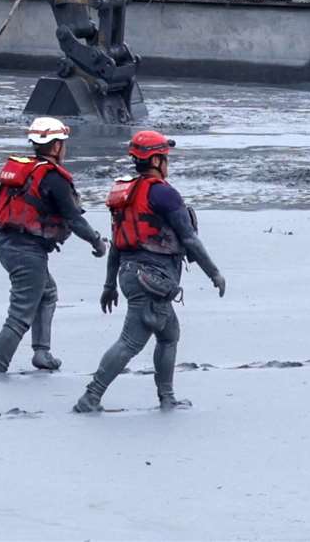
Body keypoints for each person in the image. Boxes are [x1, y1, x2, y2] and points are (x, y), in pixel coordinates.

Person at [74, 129, 225, 414]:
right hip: (152, 280)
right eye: (165, 158)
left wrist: (109, 285)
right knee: (130, 342)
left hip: (129, 274)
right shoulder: (164, 194)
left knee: (169, 335)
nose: (167, 163)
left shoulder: (126, 194)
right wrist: (214, 273)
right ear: (156, 160)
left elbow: (118, 243)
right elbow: (189, 238)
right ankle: (90, 398)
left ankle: (167, 397)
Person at [0, 115, 105, 374]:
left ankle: (42, 353)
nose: (64, 148)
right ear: (55, 147)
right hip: (27, 251)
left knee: (47, 293)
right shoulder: (54, 178)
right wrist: (97, 242)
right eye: (63, 143)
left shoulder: (23, 171)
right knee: (21, 312)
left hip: (7, 245)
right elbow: (73, 218)